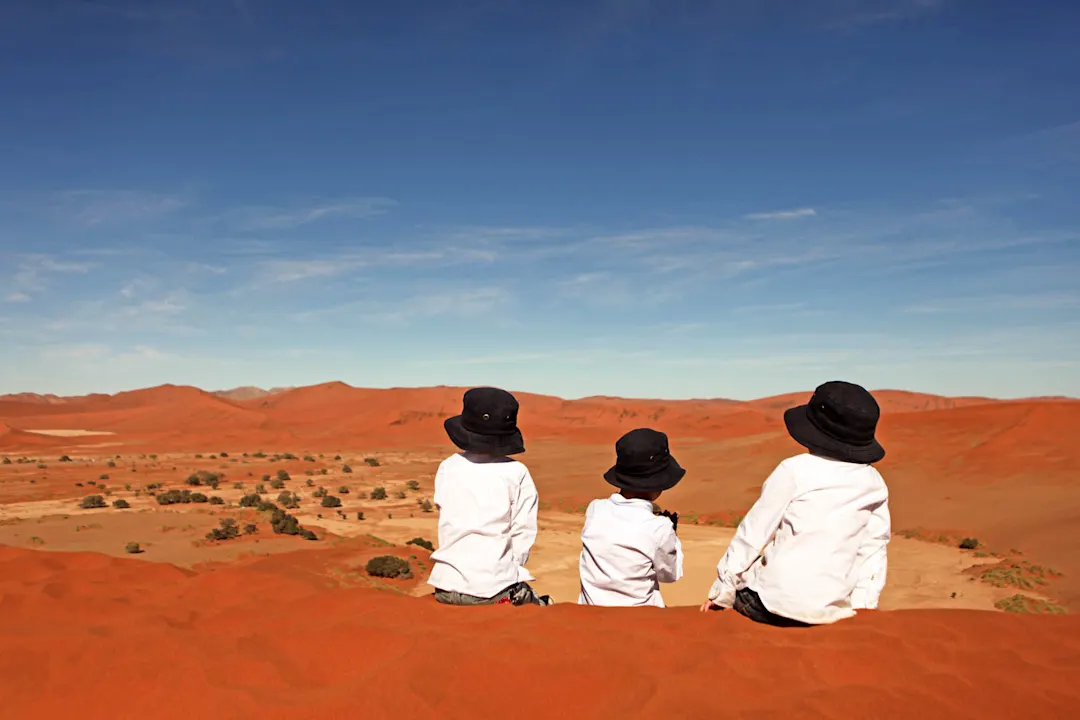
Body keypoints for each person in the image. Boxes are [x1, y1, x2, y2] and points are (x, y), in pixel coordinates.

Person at [700, 380, 891, 626]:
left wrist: (723, 592)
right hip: (831, 609)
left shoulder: (793, 470)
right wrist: (864, 605)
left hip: (769, 605)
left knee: (750, 581)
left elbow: (753, 533)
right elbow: (873, 546)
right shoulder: (873, 481)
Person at [427, 386, 553, 606]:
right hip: (495, 590)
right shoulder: (517, 472)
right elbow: (523, 533)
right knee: (545, 606)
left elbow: (446, 516)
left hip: (445, 586)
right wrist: (506, 570)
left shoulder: (447, 466)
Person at [578, 428, 685, 607]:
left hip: (590, 611)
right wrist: (672, 534)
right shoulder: (659, 528)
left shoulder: (595, 509)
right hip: (639, 617)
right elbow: (670, 574)